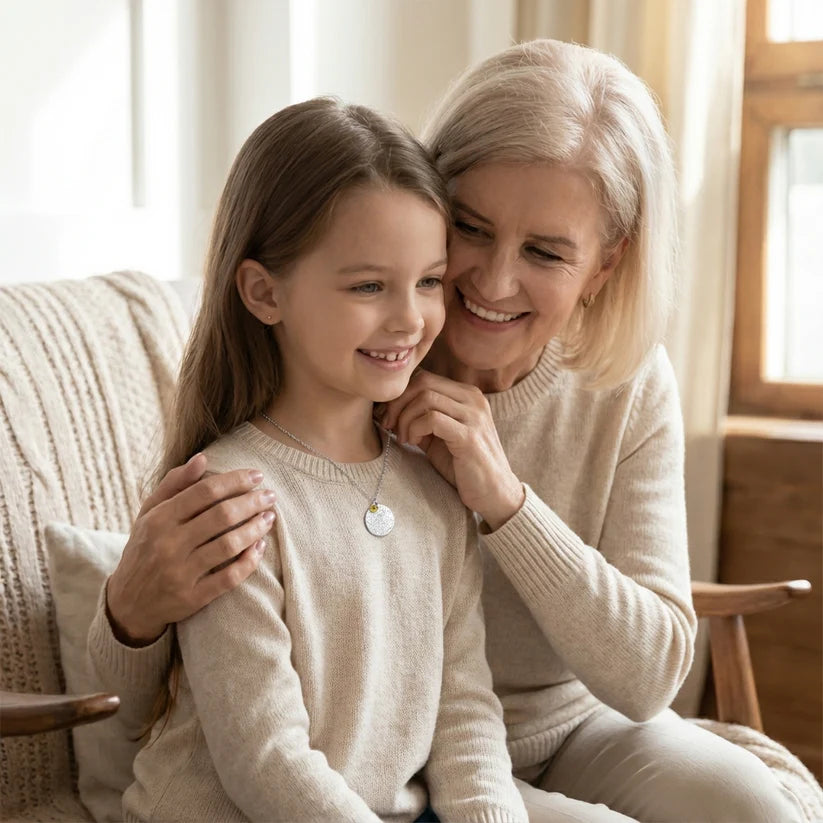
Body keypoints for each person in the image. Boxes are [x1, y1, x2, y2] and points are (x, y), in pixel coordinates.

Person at [90, 40, 804, 823]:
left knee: (752, 806)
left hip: (550, 729)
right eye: (469, 228)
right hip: (389, 755)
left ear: (603, 265)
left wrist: (506, 502)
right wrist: (128, 609)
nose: (492, 282)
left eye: (545, 252)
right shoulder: (347, 368)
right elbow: (229, 724)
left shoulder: (620, 386)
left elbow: (645, 676)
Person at [113, 97, 527, 823]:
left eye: (429, 281)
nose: (410, 318)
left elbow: (463, 711)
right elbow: (266, 759)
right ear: (264, 292)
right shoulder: (231, 499)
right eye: (368, 286)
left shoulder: (435, 486)